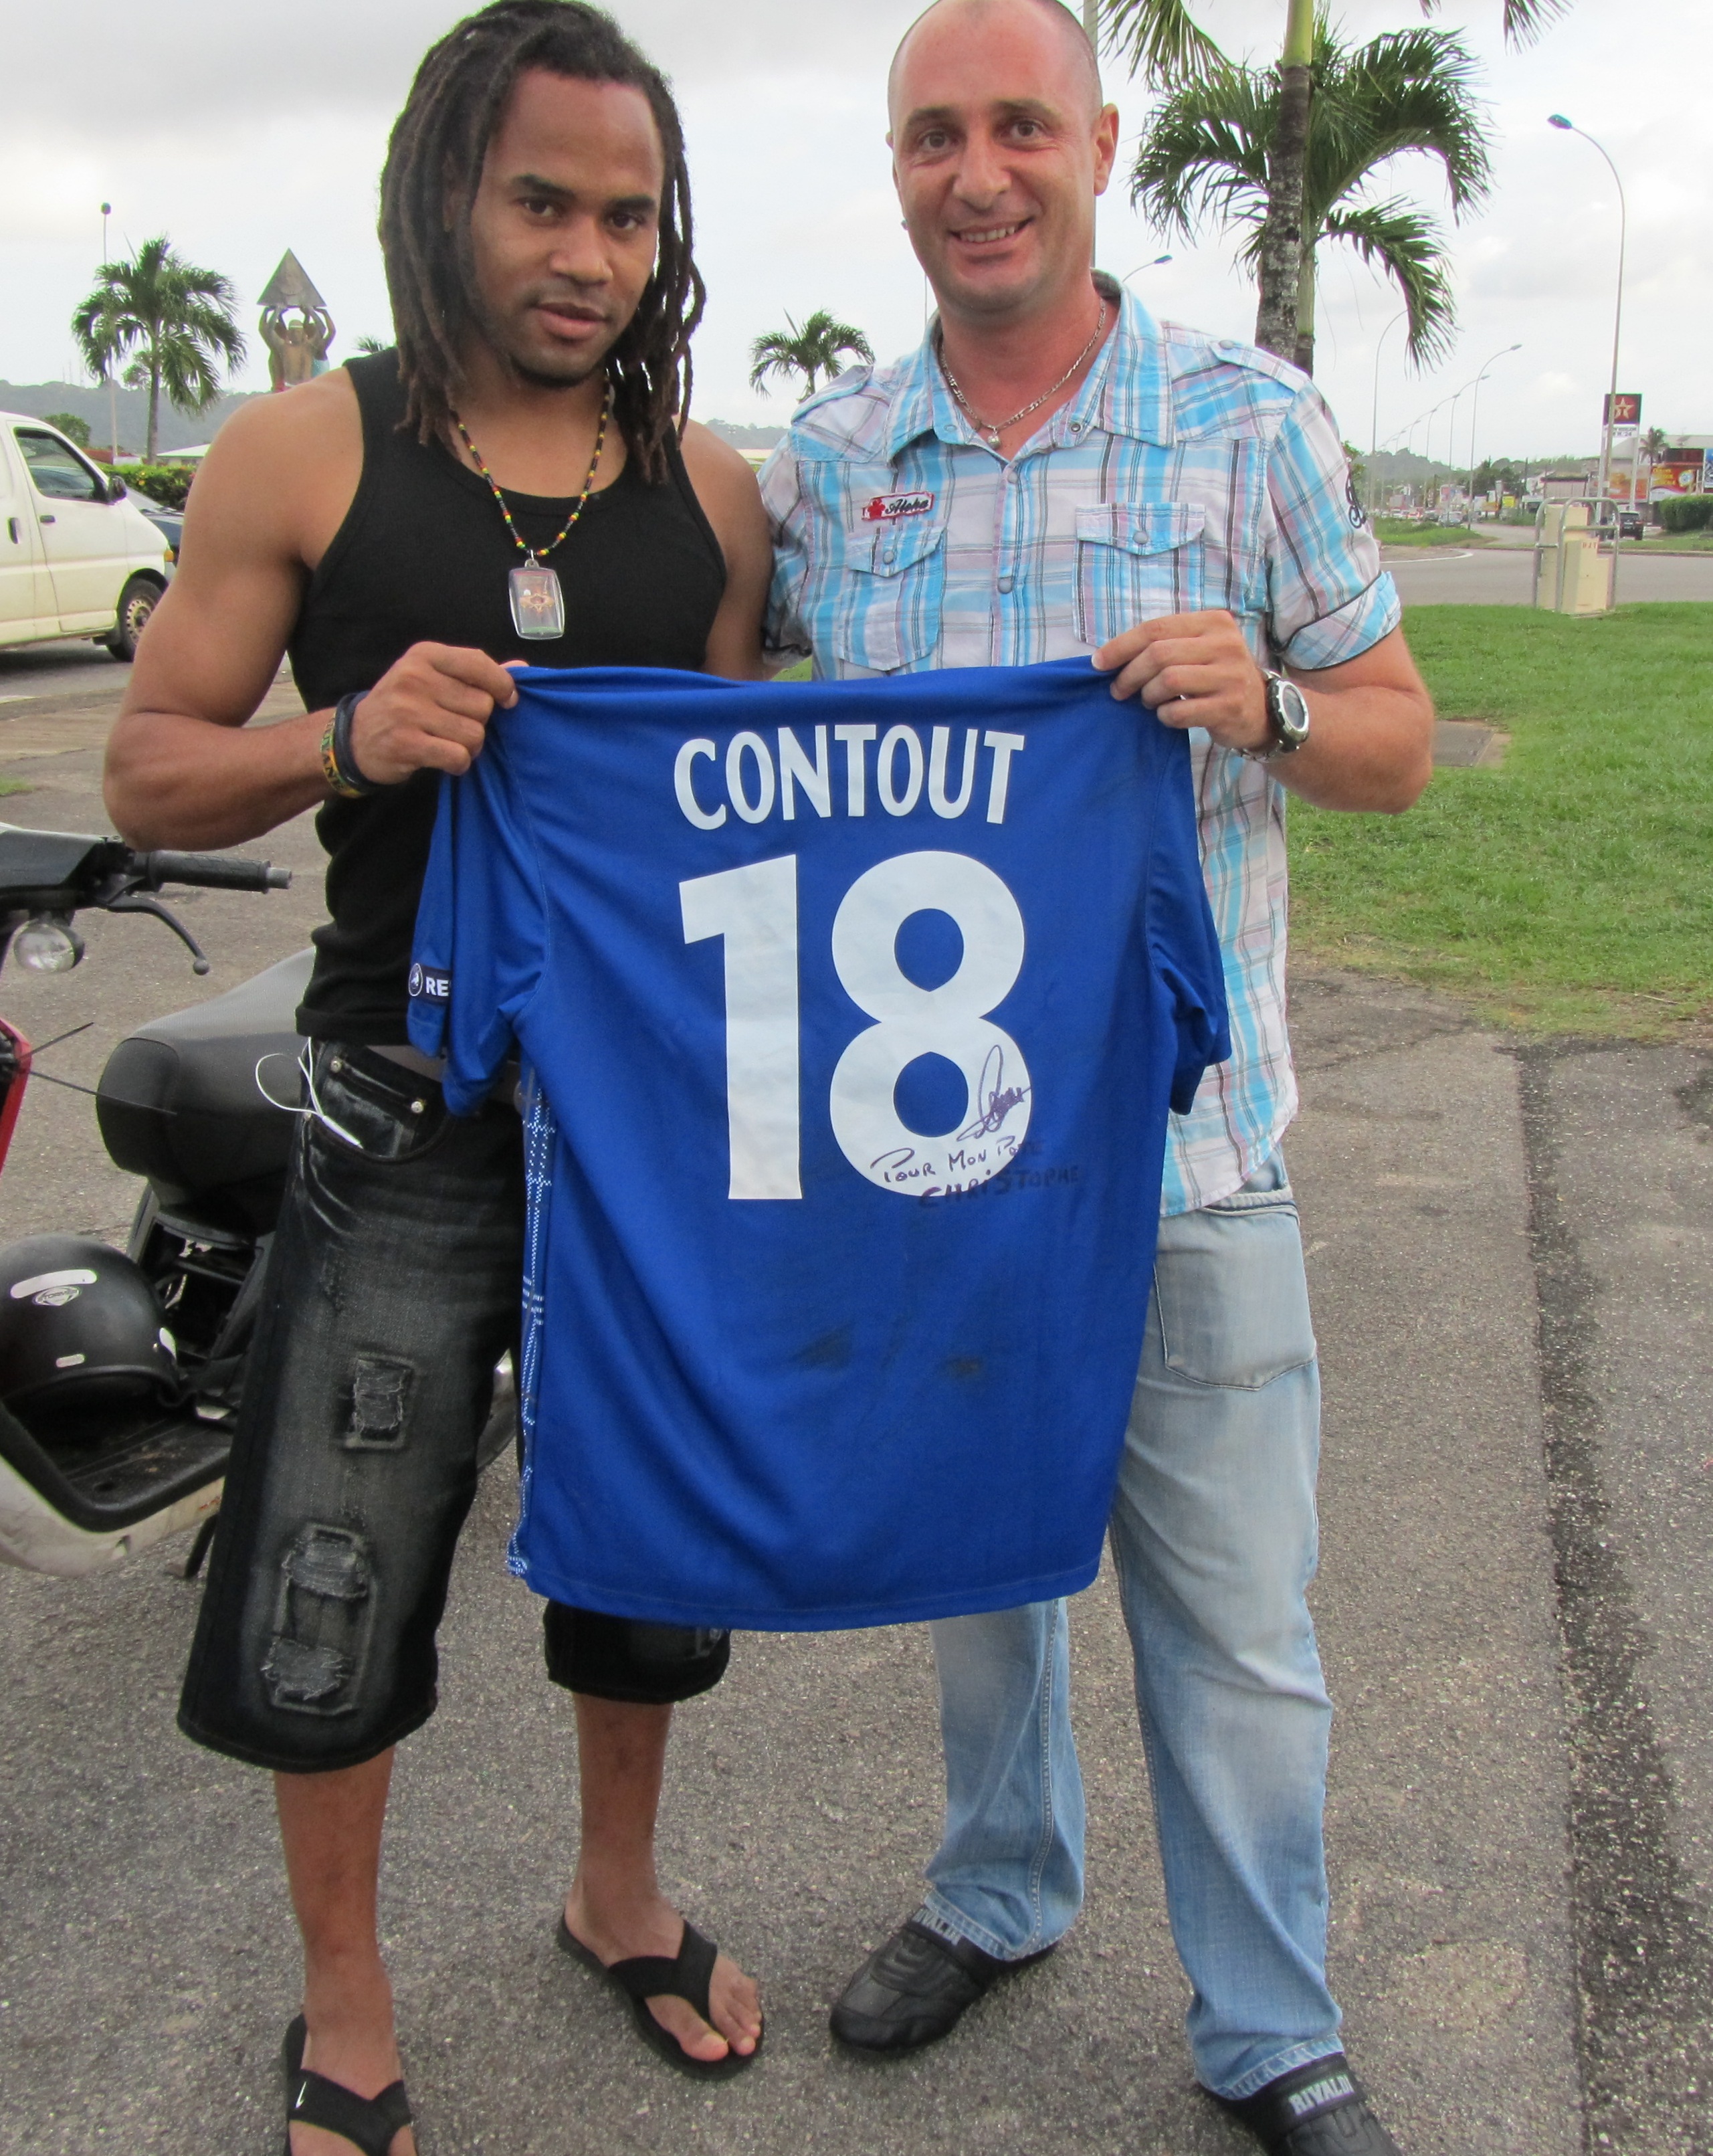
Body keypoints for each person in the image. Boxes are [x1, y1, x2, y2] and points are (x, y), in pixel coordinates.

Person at [760, 2, 1433, 2150]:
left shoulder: (1247, 426)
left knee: (1232, 1628)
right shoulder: (829, 465)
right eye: (933, 135)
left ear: (1100, 144)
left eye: (1018, 128)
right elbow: (730, 760)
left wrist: (1272, 705)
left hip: (1182, 1159)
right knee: (975, 1583)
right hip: (934, 1164)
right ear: (894, 167)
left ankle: (1269, 2028)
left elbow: (1398, 739)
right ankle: (996, 1888)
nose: (978, 174)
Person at [104, 5, 769, 2149]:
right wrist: (343, 737)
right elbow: (147, 769)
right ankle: (346, 1998)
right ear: (443, 195)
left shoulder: (711, 494)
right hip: (402, 1107)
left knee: (648, 1540)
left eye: (628, 216)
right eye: (542, 202)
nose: (587, 254)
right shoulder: (305, 451)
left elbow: (745, 811)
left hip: (650, 1122)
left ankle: (615, 1893)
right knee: (335, 1558)